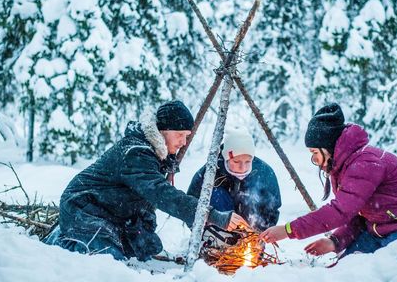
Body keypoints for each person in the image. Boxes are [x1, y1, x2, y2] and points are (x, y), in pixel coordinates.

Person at [44, 100, 249, 261]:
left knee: (147, 249)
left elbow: (141, 198)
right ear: (162, 131)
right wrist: (212, 215)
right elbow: (161, 193)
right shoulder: (136, 153)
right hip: (83, 209)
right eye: (180, 135)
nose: (183, 142)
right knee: (107, 262)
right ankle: (64, 239)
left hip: (109, 212)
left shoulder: (151, 152)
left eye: (187, 136)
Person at [260, 103, 397, 259]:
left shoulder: (365, 163)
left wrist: (288, 230)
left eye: (314, 152)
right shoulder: (342, 166)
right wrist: (335, 241)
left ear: (328, 147)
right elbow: (357, 214)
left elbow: (340, 212)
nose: (315, 159)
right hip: (380, 229)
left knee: (367, 275)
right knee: (342, 271)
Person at [188, 129, 282, 232]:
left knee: (254, 195)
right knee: (217, 194)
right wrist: (211, 222)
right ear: (226, 158)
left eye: (248, 161)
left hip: (251, 231)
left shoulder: (264, 172)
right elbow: (190, 206)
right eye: (236, 161)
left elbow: (273, 208)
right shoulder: (210, 172)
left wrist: (262, 230)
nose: (243, 167)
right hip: (217, 229)